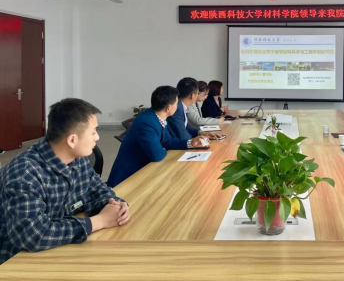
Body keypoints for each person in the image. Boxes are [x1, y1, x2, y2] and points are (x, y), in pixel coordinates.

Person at [0, 98, 130, 265]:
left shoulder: (77, 159)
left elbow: (97, 189)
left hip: (57, 250)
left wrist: (115, 205)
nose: (97, 137)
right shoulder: (24, 175)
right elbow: (33, 236)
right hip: (16, 262)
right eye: (93, 132)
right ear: (72, 140)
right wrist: (99, 221)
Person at [107, 86, 209, 188]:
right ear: (168, 108)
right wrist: (163, 148)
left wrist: (191, 143)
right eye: (176, 103)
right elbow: (157, 155)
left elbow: (168, 141)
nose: (178, 106)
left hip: (145, 170)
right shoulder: (146, 122)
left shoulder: (157, 116)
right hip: (129, 178)